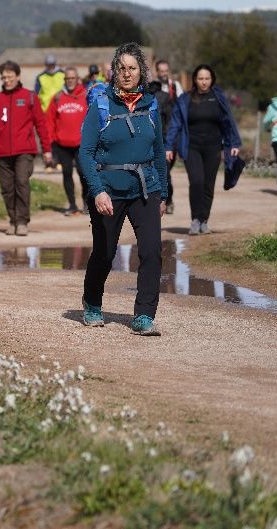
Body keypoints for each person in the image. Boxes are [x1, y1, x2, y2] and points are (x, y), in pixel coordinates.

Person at [78, 42, 168, 336]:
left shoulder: (150, 106)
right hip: (109, 190)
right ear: (114, 72)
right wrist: (98, 191)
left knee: (152, 251)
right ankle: (92, 303)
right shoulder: (101, 105)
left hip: (145, 188)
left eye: (132, 68)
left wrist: (163, 193)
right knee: (105, 252)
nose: (127, 73)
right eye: (122, 68)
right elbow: (86, 153)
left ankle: (144, 315)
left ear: (142, 72)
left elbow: (158, 152)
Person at [165, 64, 241, 235]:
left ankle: (204, 221)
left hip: (214, 147)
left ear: (212, 79)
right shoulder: (185, 99)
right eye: (201, 78)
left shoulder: (219, 98)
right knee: (197, 182)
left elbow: (228, 122)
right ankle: (195, 220)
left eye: (207, 78)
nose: (204, 82)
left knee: (208, 185)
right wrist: (169, 146)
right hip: (192, 147)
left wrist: (233, 144)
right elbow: (175, 124)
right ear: (195, 80)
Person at [0, 60, 51, 236]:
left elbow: (41, 124)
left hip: (24, 152)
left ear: (18, 76)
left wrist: (47, 150)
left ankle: (22, 221)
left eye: (10, 76)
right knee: (7, 188)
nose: (7, 80)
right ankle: (12, 220)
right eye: (3, 77)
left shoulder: (29, 97)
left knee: (21, 183)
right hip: (3, 152)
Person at [43, 67, 89, 216]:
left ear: (77, 80)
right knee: (67, 173)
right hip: (62, 144)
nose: (70, 81)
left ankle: (86, 203)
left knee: (84, 173)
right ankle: (72, 205)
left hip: (81, 144)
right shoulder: (57, 97)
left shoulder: (86, 96)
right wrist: (50, 142)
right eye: (67, 79)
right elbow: (49, 121)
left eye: (72, 78)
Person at [154, 60, 183, 214]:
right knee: (163, 169)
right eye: (161, 71)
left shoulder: (175, 87)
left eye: (166, 71)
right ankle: (163, 200)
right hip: (158, 135)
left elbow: (183, 108)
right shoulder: (152, 88)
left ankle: (167, 198)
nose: (164, 74)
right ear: (157, 71)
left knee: (166, 170)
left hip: (172, 135)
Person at [35, 54, 65, 173]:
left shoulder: (62, 74)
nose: (50, 67)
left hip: (60, 110)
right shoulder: (41, 77)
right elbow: (36, 94)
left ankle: (58, 161)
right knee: (46, 137)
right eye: (48, 65)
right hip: (45, 110)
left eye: (52, 65)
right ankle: (47, 163)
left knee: (58, 136)